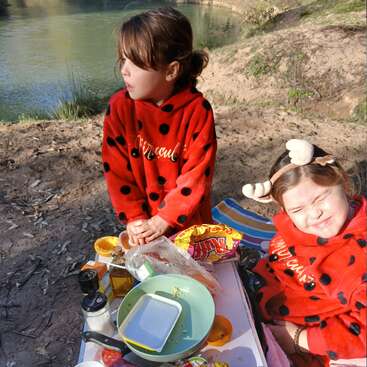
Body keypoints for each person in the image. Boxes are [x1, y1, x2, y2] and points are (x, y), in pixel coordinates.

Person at [242, 139, 366, 367]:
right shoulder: (292, 223)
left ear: (343, 182)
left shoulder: (360, 254)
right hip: (253, 308)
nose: (314, 213)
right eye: (298, 209)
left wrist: (299, 339)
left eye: (321, 198)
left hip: (308, 349)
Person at [102, 7, 216, 246]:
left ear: (171, 70)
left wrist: (166, 218)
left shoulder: (196, 111)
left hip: (187, 221)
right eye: (123, 59)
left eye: (134, 62)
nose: (124, 70)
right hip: (142, 225)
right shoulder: (120, 109)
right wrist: (135, 218)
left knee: (191, 275)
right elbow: (117, 173)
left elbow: (196, 176)